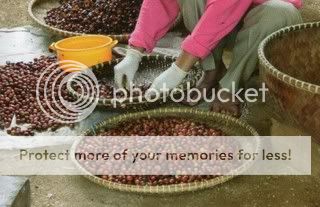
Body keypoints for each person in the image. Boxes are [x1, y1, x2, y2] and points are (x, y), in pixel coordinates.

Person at [114, 0, 303, 117]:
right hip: (224, 23)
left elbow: (224, 8)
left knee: (279, 12)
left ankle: (231, 85)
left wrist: (179, 68)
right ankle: (212, 70)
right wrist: (134, 52)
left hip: (261, 20)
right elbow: (159, 3)